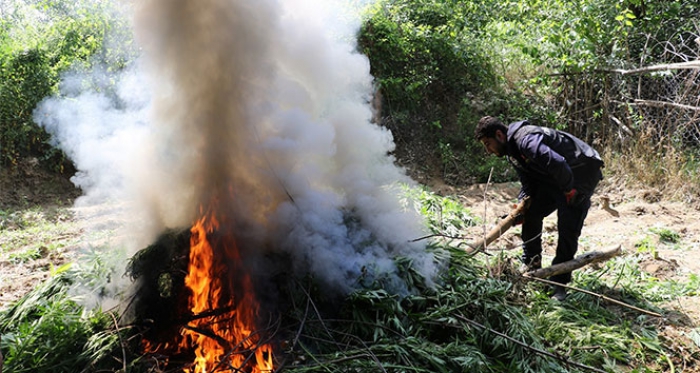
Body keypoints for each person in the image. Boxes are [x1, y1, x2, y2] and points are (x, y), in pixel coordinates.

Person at [474, 116, 604, 301]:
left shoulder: (525, 140)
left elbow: (557, 162)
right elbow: (528, 182)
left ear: (499, 135)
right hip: (558, 175)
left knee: (568, 223)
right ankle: (532, 264)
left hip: (581, 170)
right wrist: (522, 205)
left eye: (488, 144)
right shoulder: (512, 151)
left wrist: (568, 190)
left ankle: (559, 283)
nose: (488, 150)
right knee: (531, 213)